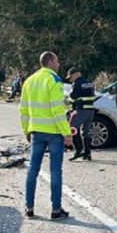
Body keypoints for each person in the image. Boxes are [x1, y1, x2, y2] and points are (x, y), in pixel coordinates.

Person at [20, 51, 72, 221]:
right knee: (55, 171)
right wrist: (67, 133)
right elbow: (58, 111)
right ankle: (56, 210)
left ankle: (29, 207)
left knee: (32, 170)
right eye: (57, 61)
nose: (58, 64)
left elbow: (23, 110)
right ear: (50, 62)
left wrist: (26, 130)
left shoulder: (29, 81)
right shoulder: (54, 80)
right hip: (54, 133)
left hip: (36, 131)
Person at [67, 67, 97, 162]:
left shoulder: (76, 84)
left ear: (75, 74)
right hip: (90, 111)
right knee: (86, 132)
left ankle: (78, 151)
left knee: (73, 128)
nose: (70, 79)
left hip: (81, 110)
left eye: (70, 77)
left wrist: (70, 108)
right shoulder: (88, 83)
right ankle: (87, 153)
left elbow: (72, 98)